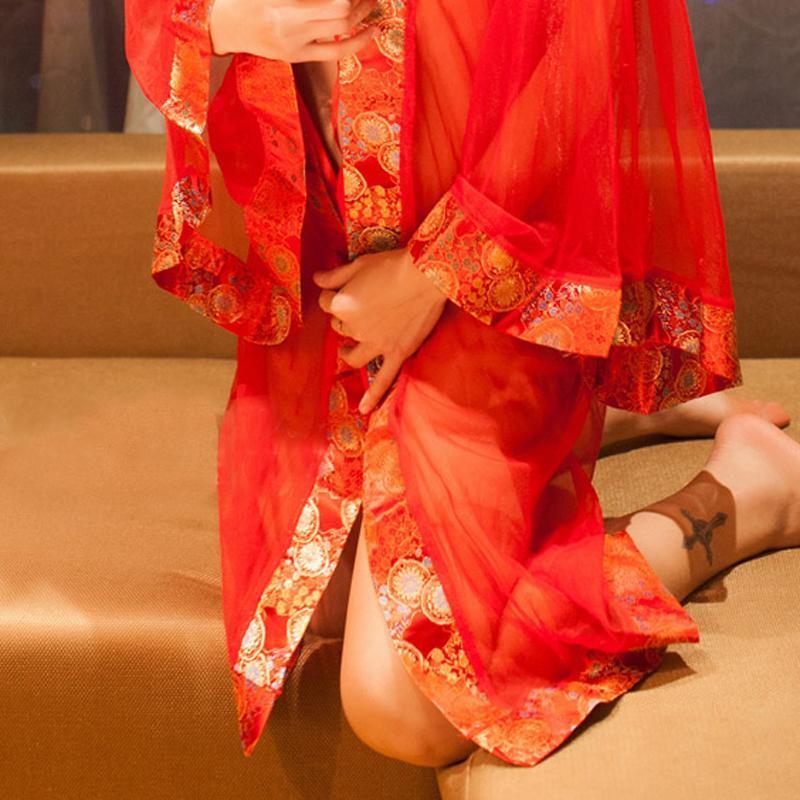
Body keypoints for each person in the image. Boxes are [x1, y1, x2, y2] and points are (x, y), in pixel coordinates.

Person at [124, 0, 798, 769]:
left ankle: (746, 496)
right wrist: (227, 20)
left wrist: (433, 272)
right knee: (317, 602)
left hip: (492, 246)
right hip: (328, 227)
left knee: (405, 702)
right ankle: (593, 409)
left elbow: (585, 55)